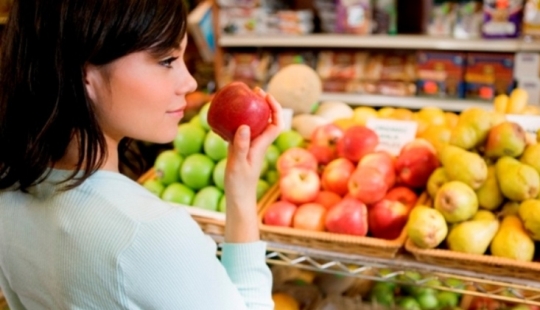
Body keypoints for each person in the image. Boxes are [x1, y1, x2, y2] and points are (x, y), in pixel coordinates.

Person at [0, 0, 283, 309]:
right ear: (85, 75)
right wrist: (242, 196)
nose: (189, 82)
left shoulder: (9, 196)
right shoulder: (148, 232)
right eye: (166, 60)